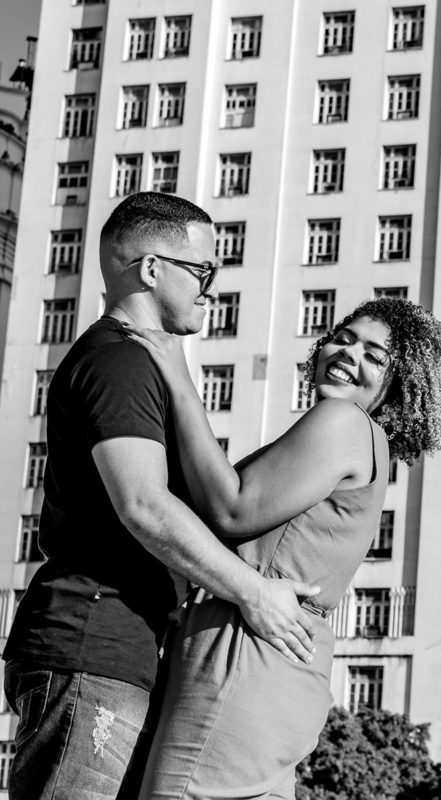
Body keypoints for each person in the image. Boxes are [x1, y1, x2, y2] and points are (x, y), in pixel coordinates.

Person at [2, 192, 322, 799]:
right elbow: (144, 505)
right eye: (203, 271)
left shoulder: (144, 362)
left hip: (119, 649)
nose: (212, 289)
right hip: (91, 644)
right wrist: (254, 594)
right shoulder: (118, 361)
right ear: (150, 269)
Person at [126, 297, 441, 798]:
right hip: (279, 660)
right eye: (343, 338)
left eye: (376, 355)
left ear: (398, 386)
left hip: (244, 651)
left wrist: (178, 379)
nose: (349, 353)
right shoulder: (366, 445)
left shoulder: (345, 422)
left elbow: (231, 509)